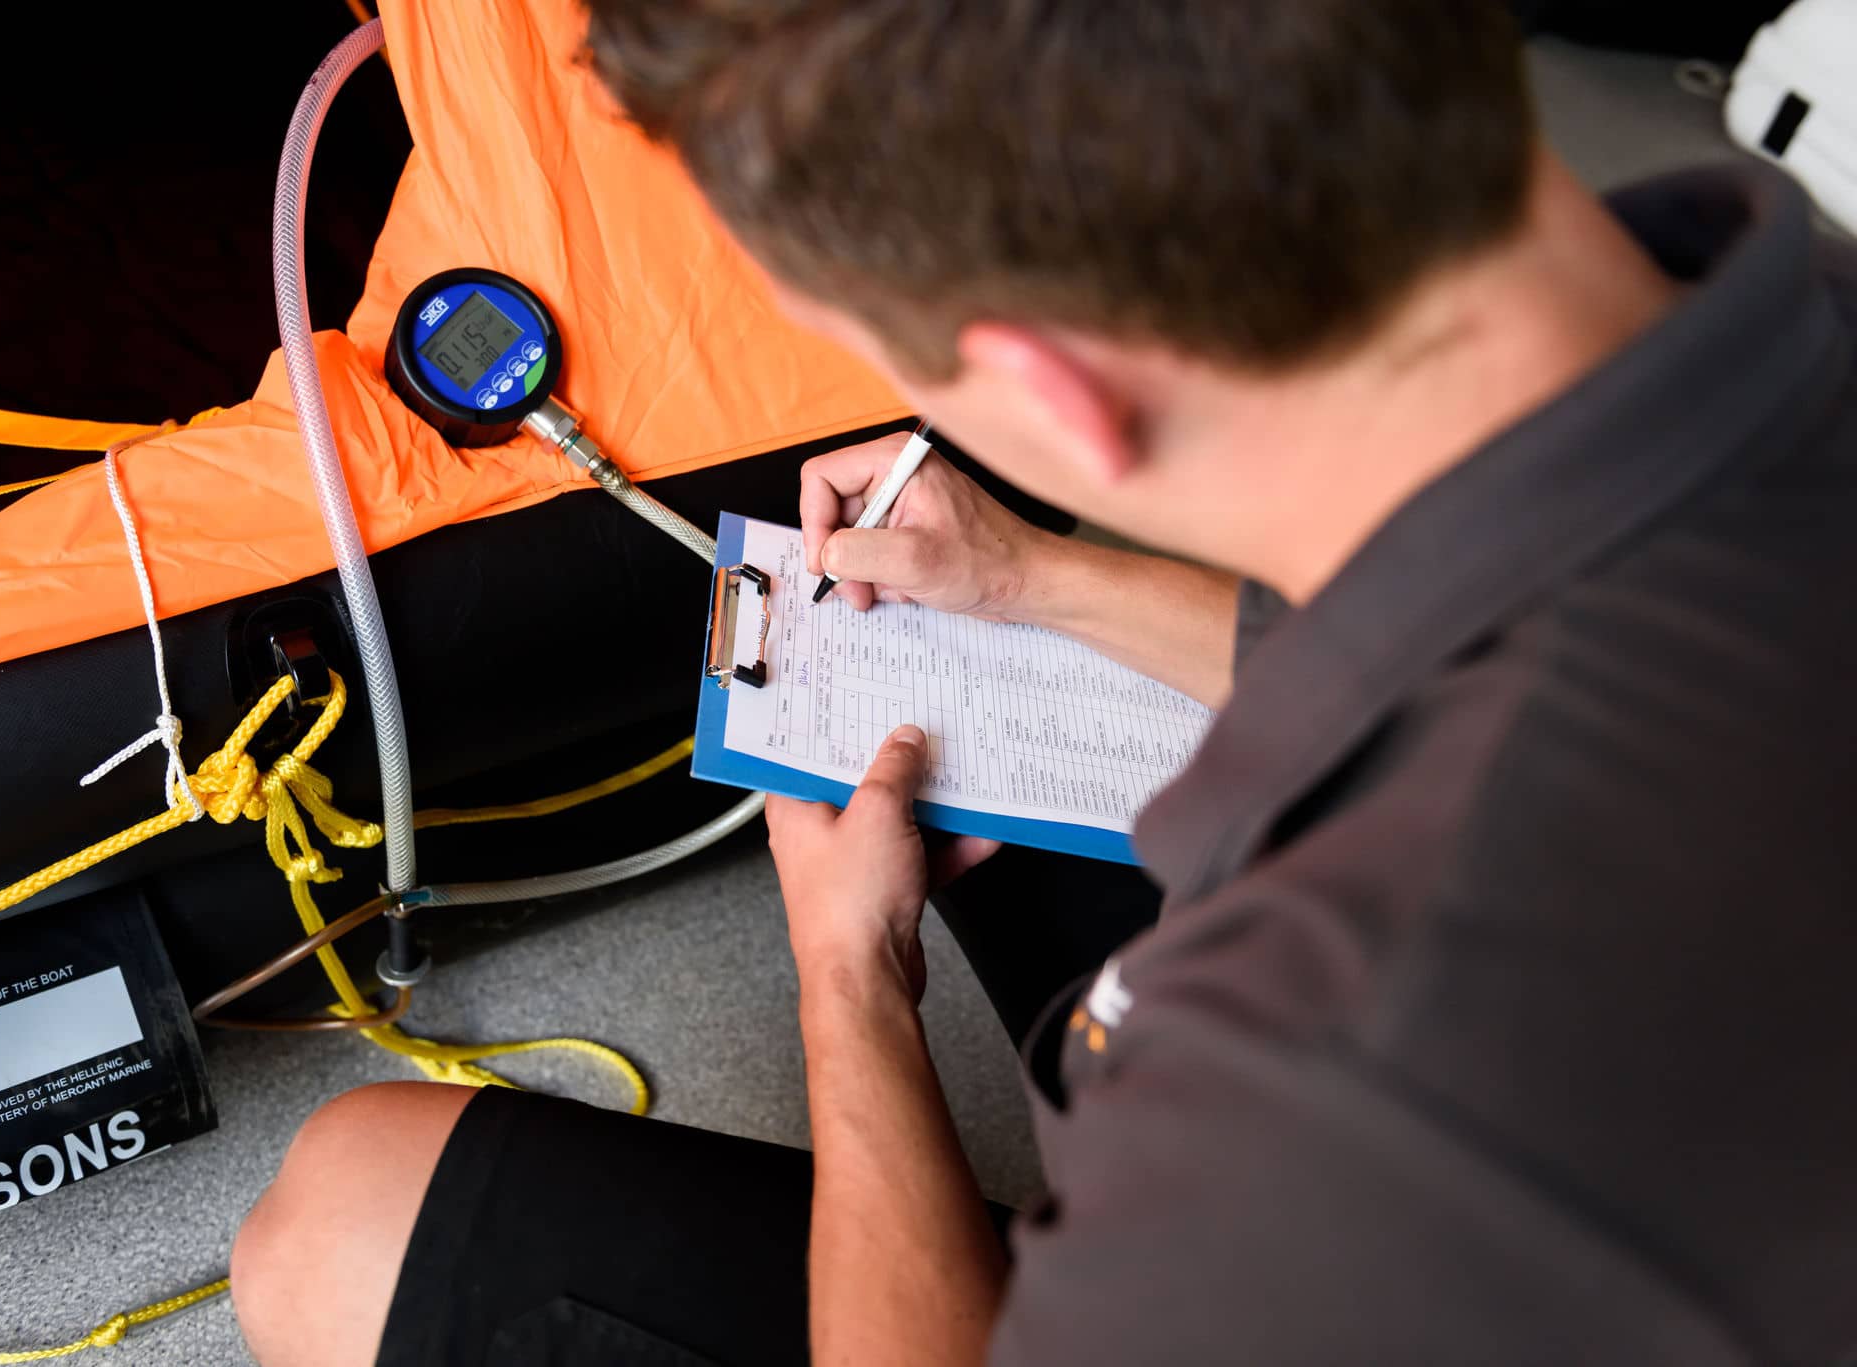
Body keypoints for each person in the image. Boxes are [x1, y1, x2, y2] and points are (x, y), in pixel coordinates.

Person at [229, 1, 1857, 1363]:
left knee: (340, 1224)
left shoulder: (1338, 1076)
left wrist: (848, 975)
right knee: (987, 719)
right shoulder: (1790, 295)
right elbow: (1465, 631)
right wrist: (1037, 580)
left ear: (1053, 395)